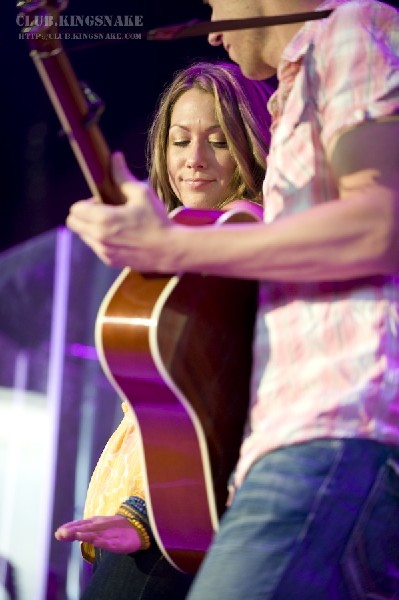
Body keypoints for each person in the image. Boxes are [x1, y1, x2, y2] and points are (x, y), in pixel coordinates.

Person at [62, 0, 399, 597]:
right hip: (286, 447)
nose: (213, 29)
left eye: (214, 0)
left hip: (339, 425)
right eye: (180, 140)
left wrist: (172, 248)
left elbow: (379, 226)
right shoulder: (295, 98)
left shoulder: (351, 28)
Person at [55, 59, 273, 599]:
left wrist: (148, 516)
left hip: (182, 514)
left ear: (250, 148)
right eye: (180, 141)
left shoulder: (245, 232)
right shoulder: (192, 243)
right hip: (149, 508)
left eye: (218, 142)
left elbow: (232, 412)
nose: (194, 161)